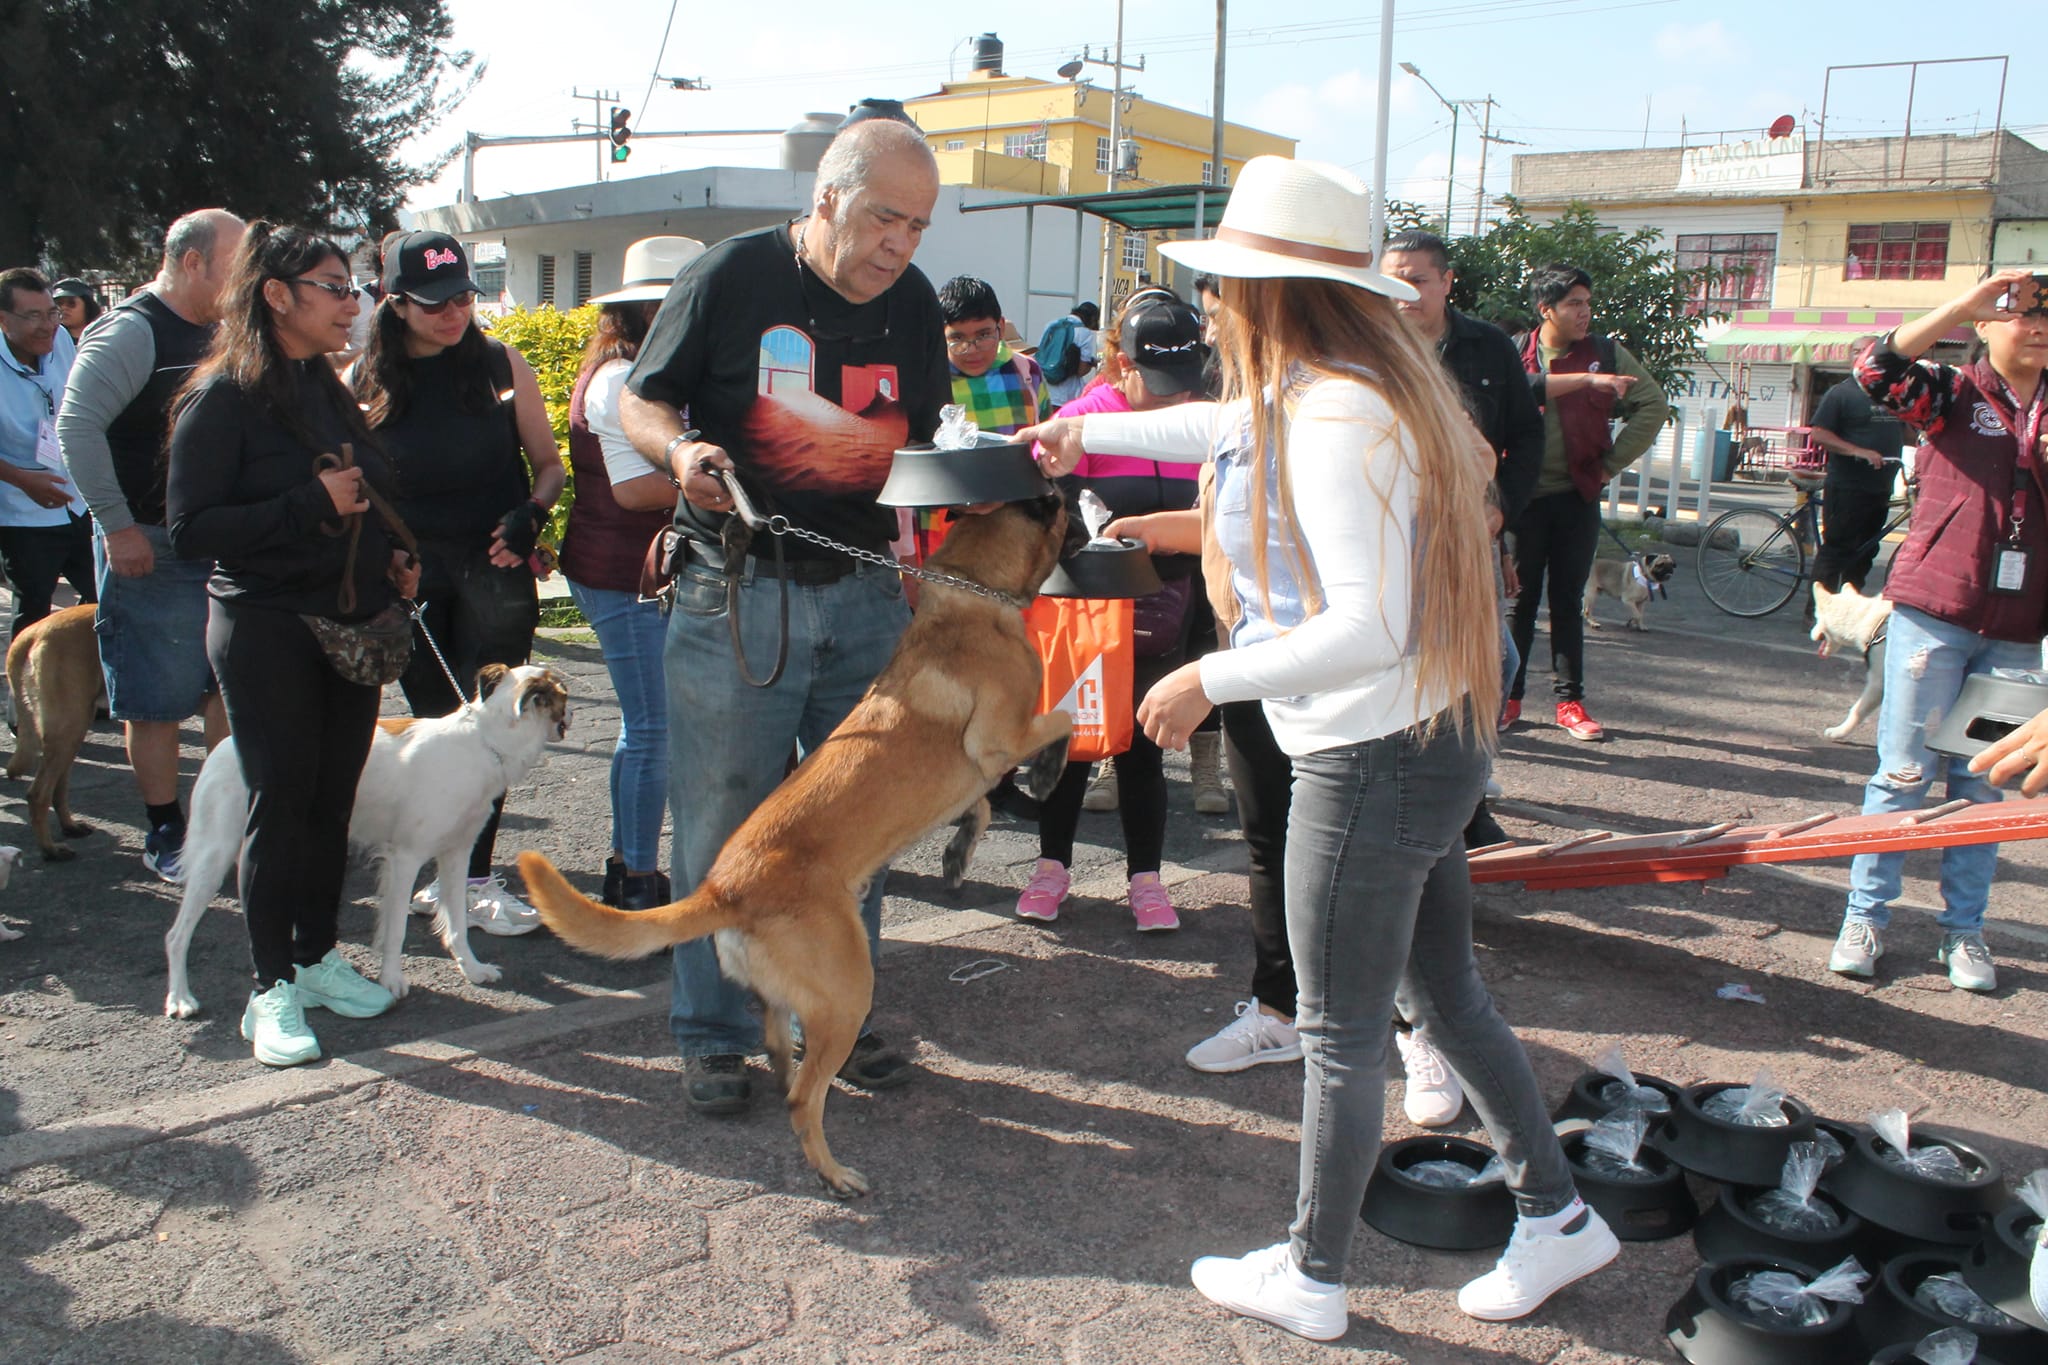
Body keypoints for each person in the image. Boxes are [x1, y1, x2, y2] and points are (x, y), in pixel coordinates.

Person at [1025, 156, 1617, 1341]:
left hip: (1371, 757)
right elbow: (1222, 424)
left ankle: (1309, 1272)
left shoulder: (1338, 413)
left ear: (1271, 294)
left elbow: (1365, 626)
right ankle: (1555, 1216)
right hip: (1415, 744)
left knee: (1342, 1037)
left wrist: (1204, 675)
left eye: (1225, 287)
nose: (1210, 309)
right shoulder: (1331, 386)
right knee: (1442, 993)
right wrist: (1079, 440)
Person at [618, 117, 949, 1115]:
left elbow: (920, 451)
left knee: (860, 827)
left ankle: (830, 1024)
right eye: (885, 217)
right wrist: (680, 457)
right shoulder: (729, 276)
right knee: (725, 824)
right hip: (735, 591)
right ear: (826, 198)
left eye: (919, 226)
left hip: (861, 599)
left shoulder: (916, 306)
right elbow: (643, 400)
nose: (900, 243)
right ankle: (712, 1036)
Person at [166, 221, 420, 1066]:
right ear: (278, 295)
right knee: (280, 802)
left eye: (354, 288)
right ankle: (267, 988)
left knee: (329, 801)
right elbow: (192, 526)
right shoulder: (223, 395)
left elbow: (370, 490)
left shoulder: (326, 384)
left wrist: (393, 560)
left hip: (347, 622)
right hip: (265, 623)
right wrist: (306, 503)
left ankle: (313, 958)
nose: (354, 304)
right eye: (336, 287)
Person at [1826, 269, 2048, 994]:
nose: (2037, 327)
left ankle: (1965, 932)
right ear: (1986, 325)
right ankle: (1866, 917)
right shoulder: (1950, 393)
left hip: (2017, 629)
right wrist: (1959, 304)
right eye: (2020, 314)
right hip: (1933, 617)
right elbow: (1874, 368)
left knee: (1982, 787)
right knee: (1901, 776)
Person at [1377, 228, 1551, 1125]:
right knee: (1409, 693)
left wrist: (1496, 514)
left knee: (1489, 670)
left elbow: (1525, 441)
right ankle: (1448, 808)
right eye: (1390, 279)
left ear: (1447, 282)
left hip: (1469, 547)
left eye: (1415, 280)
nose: (1401, 293)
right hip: (1392, 556)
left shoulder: (1487, 351)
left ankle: (1465, 798)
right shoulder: (1365, 341)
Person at [350, 231, 566, 935]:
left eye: (466, 297)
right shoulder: (366, 379)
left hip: (494, 568)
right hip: (412, 576)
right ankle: (435, 874)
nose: (454, 313)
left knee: (496, 727)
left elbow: (550, 465)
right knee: (440, 726)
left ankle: (472, 878)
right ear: (395, 302)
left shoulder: (501, 363)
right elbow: (350, 485)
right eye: (436, 302)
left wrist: (531, 514)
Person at [58, 208, 245, 883]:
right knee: (158, 698)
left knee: (231, 686)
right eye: (237, 260)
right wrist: (116, 525)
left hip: (220, 542)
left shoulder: (223, 331)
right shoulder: (132, 331)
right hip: (152, 544)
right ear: (193, 262)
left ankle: (226, 819)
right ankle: (167, 829)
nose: (248, 276)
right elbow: (76, 427)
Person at [1016, 294, 1206, 933]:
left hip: (1169, 605)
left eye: (1181, 382)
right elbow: (1045, 513)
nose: (1170, 396)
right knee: (1069, 742)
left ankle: (1146, 880)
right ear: (1119, 361)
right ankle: (1050, 869)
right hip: (1086, 611)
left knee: (1145, 745)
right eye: (1154, 379)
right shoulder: (1081, 417)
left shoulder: (1200, 419)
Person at [561, 235, 706, 911]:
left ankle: (631, 865)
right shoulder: (623, 378)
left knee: (644, 725)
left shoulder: (636, 369)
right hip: (625, 571)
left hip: (630, 567)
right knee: (655, 728)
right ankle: (638, 879)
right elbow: (632, 490)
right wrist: (726, 488)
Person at [1508, 264, 1669, 740]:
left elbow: (1653, 404)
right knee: (1519, 603)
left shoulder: (1604, 352)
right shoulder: (1516, 354)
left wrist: (1610, 464)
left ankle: (1570, 703)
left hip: (1577, 497)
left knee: (1566, 601)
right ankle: (1508, 699)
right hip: (1521, 500)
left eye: (1587, 303)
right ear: (1546, 310)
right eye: (1574, 304)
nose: (1585, 312)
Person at [0, 268, 93, 643]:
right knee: (35, 617)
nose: (48, 325)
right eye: (34, 316)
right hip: (24, 513)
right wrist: (23, 480)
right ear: (3, 319)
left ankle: (97, 697)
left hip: (79, 502)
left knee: (109, 596)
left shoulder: (64, 345)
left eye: (52, 312)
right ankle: (26, 701)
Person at [1806, 337, 1906, 593]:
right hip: (1848, 485)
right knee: (1837, 549)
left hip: (1879, 487)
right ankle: (1817, 612)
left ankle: (1850, 606)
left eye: (1869, 351)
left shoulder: (1889, 395)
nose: (1862, 356)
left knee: (1866, 551)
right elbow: (1819, 434)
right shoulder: (1841, 393)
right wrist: (1858, 451)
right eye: (1857, 351)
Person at [1039, 300, 1101, 408]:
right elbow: (1081, 371)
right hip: (1066, 395)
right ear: (1092, 319)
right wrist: (1091, 364)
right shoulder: (1084, 332)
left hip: (1045, 392)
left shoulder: (1051, 325)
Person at [49, 279, 103, 343]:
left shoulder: (102, 336)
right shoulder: (51, 339)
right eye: (59, 303)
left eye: (71, 303)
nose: (63, 308)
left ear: (88, 306)